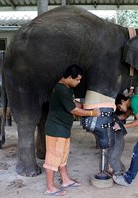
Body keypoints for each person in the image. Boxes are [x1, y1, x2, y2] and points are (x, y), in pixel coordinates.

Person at [43, 64, 100, 196]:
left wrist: (87, 106)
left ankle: (65, 180)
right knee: (52, 159)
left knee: (62, 157)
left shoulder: (67, 88)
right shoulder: (61, 88)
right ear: (69, 77)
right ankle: (50, 187)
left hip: (63, 129)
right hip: (55, 130)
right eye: (77, 80)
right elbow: (73, 109)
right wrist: (91, 113)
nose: (79, 82)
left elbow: (74, 103)